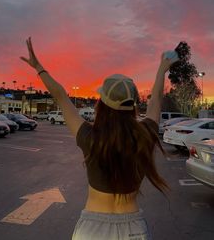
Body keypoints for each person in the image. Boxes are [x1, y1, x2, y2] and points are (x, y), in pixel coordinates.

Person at [21, 37, 179, 240]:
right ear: (132, 106)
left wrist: (38, 67)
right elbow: (156, 99)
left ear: (102, 104)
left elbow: (60, 96)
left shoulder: (90, 137)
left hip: (92, 228)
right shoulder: (145, 134)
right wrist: (162, 68)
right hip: (133, 228)